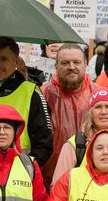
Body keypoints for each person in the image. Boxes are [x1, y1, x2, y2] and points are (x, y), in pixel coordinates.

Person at [0, 37, 53, 167]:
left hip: (19, 173)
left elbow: (44, 143)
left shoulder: (31, 92)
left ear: (16, 62)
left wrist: (28, 171)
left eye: (4, 59)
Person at [41, 44, 99, 183]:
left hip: (92, 176)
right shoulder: (43, 94)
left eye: (76, 62)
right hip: (51, 176)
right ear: (56, 66)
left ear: (85, 64)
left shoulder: (99, 94)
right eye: (65, 63)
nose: (71, 67)